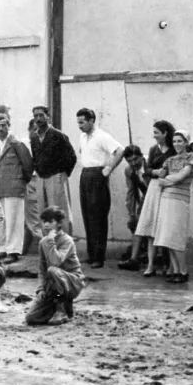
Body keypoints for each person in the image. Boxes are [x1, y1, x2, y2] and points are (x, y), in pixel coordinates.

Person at [120, 121, 177, 269]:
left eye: (135, 159)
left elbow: (154, 176)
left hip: (159, 192)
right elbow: (131, 193)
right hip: (148, 196)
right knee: (137, 223)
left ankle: (157, 258)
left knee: (153, 225)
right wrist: (131, 213)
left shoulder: (149, 162)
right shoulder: (129, 171)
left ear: (141, 157)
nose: (133, 163)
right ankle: (135, 258)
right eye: (129, 161)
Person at [75, 107, 124, 268]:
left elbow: (120, 150)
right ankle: (91, 254)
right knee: (87, 215)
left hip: (97, 175)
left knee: (98, 216)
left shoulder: (102, 136)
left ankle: (98, 257)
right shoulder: (82, 136)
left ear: (91, 121)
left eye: (82, 122)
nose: (80, 125)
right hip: (86, 174)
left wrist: (109, 168)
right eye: (78, 122)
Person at [150, 130, 193, 284]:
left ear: (186, 143)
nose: (177, 144)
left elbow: (182, 176)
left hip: (179, 200)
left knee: (176, 236)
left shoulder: (192, 157)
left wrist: (169, 180)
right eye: (175, 141)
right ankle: (175, 270)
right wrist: (169, 180)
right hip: (166, 199)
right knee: (167, 236)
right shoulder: (169, 160)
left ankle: (183, 271)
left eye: (180, 141)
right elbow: (160, 177)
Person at [0, 112, 33, 261]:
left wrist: (21, 181)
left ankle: (14, 251)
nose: (0, 128)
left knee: (14, 219)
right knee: (2, 219)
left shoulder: (16, 141)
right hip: (0, 186)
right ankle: (3, 248)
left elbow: (28, 164)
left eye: (3, 125)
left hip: (14, 186)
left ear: (9, 125)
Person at [26, 207, 85, 325]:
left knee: (53, 270)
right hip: (53, 285)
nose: (47, 225)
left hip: (71, 282)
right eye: (44, 221)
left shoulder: (67, 240)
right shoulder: (43, 242)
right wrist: (41, 289)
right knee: (32, 318)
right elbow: (42, 269)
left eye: (51, 221)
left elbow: (56, 261)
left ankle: (62, 309)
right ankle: (55, 307)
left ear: (59, 223)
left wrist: (51, 242)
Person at [27, 106, 77, 247]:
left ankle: (65, 243)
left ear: (48, 116)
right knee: (43, 211)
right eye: (35, 116)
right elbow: (35, 157)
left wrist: (64, 174)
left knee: (59, 210)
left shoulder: (58, 135)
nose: (38, 119)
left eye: (41, 115)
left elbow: (71, 156)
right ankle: (48, 243)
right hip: (41, 177)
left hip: (55, 176)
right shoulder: (34, 137)